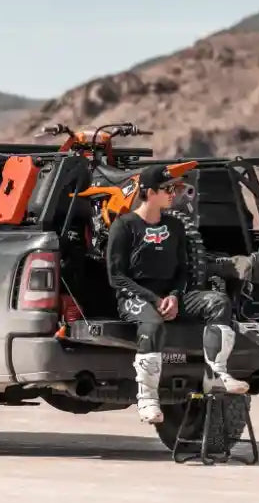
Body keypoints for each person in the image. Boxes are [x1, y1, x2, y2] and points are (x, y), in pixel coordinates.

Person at [105, 164, 249, 424]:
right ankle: (147, 399)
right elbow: (116, 277)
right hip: (135, 297)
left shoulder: (174, 225)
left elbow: (183, 270)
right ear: (149, 192)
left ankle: (216, 375)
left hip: (170, 296)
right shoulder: (124, 226)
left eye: (175, 188)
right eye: (168, 188)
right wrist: (155, 300)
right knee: (152, 325)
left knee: (218, 303)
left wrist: (173, 296)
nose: (174, 193)